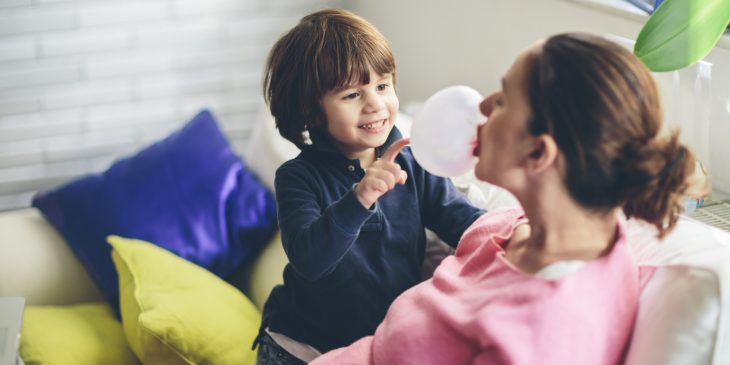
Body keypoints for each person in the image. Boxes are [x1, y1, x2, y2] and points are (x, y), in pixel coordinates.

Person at [311, 33, 706, 364]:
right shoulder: (508, 226)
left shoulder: (546, 328)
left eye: (503, 100)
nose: (481, 104)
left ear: (538, 153)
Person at [253, 9, 485, 364]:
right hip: (301, 348)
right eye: (352, 95)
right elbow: (311, 260)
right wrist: (359, 198)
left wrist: (510, 234)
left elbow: (458, 218)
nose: (375, 104)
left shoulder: (411, 157)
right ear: (311, 112)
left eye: (382, 85)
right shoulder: (298, 177)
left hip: (377, 345)